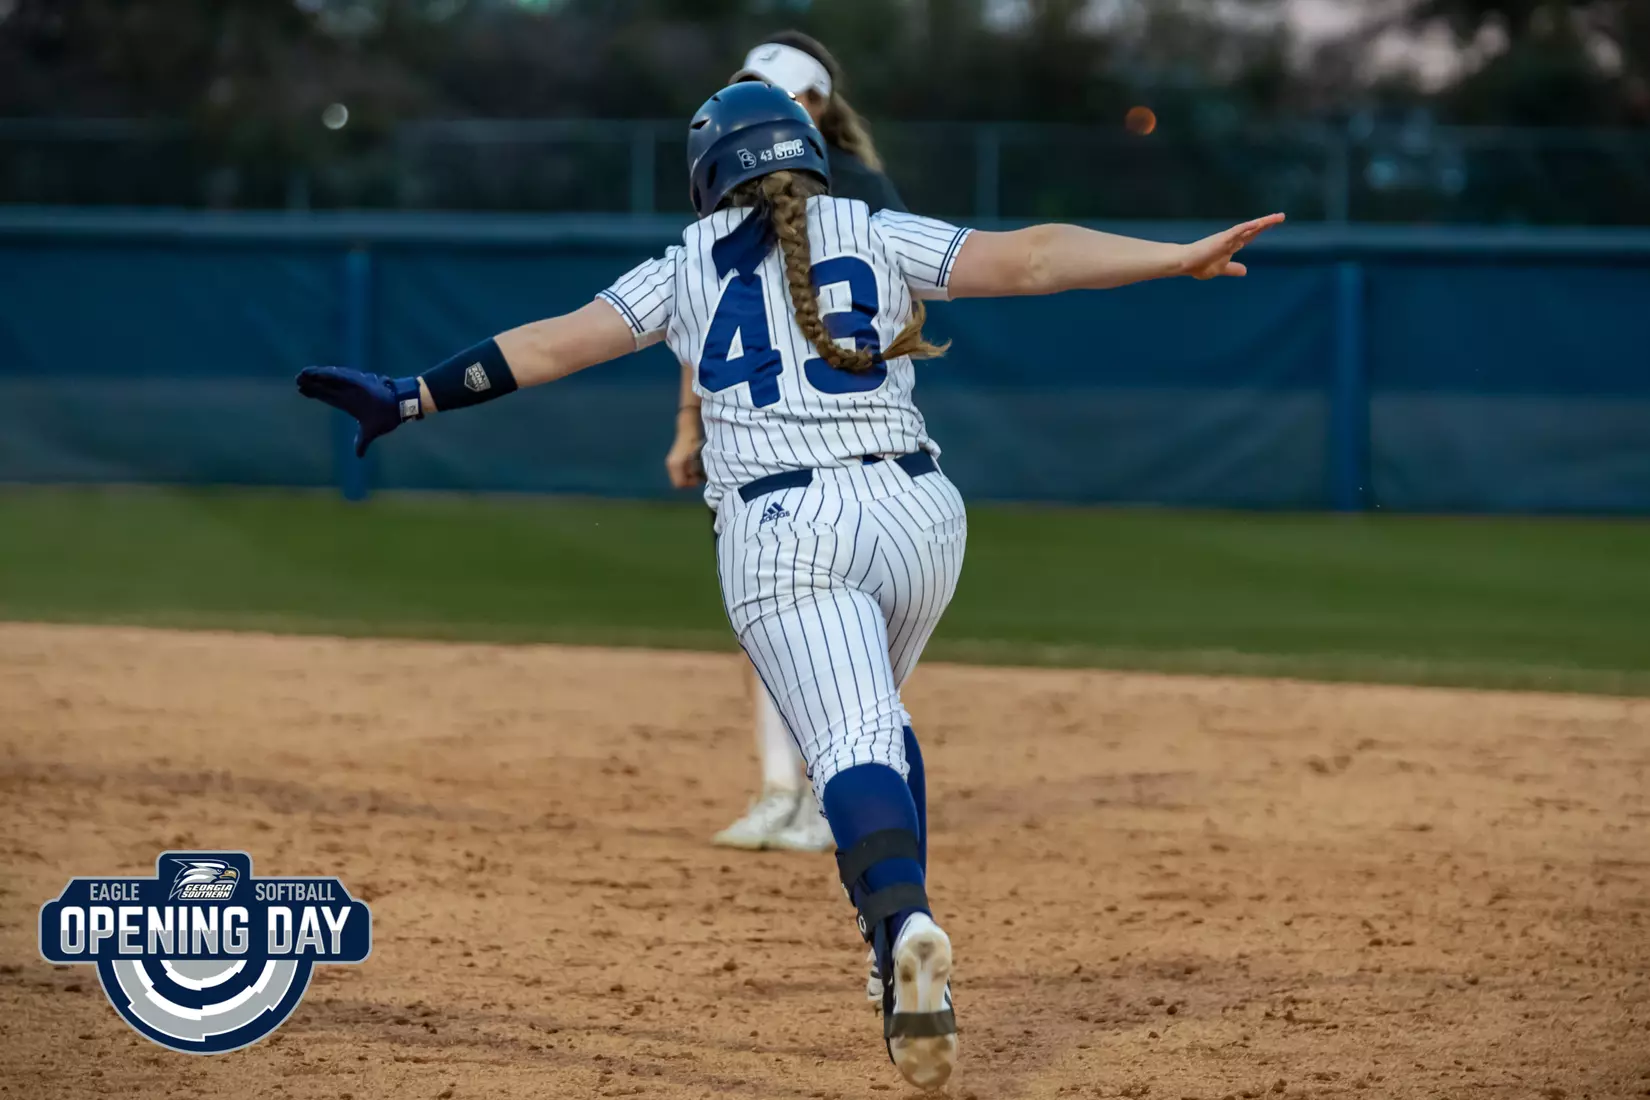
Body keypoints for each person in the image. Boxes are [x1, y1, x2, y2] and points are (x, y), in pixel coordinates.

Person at [296, 81, 1283, 1090]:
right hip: (919, 513)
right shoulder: (875, 228)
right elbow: (1032, 258)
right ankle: (895, 952)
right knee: (877, 724)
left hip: (784, 528)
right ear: (809, 155)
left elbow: (551, 344)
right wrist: (1176, 256)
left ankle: (903, 923)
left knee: (846, 741)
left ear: (706, 177)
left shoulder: (684, 266)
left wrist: (413, 395)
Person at [664, 31, 907, 855]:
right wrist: (690, 424)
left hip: (840, 442)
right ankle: (779, 790)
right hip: (753, 442)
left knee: (843, 627)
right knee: (765, 616)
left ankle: (833, 791)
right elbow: (704, 312)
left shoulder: (861, 190)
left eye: (780, 92)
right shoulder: (732, 178)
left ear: (817, 105)